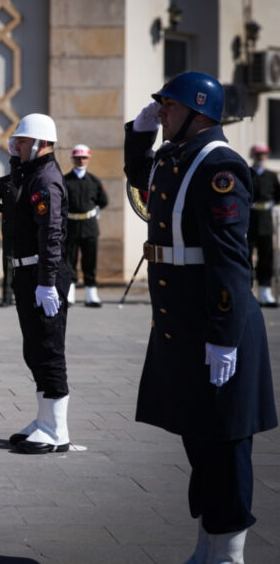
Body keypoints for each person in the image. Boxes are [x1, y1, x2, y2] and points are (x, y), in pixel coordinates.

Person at [125, 71, 277, 563]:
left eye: (166, 105)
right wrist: (140, 130)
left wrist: (224, 336)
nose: (161, 111)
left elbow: (231, 263)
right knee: (199, 439)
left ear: (197, 110)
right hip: (183, 324)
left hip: (217, 325)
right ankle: (208, 544)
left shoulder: (220, 166)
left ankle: (229, 554)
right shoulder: (177, 158)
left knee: (226, 446)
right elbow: (138, 177)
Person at [7, 113, 73, 455]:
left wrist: (47, 283)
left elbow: (51, 234)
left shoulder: (45, 178)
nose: (16, 146)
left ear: (40, 143)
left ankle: (56, 429)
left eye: (22, 141)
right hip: (27, 273)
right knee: (33, 349)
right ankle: (44, 419)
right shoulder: (31, 173)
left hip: (42, 274)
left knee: (48, 349)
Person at [63, 144, 109, 308]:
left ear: (88, 159)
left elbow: (103, 200)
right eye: (77, 158)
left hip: (89, 226)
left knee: (90, 260)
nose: (80, 160)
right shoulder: (65, 180)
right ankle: (69, 293)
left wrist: (95, 210)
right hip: (71, 225)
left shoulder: (94, 181)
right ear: (73, 159)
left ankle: (91, 294)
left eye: (83, 157)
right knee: (69, 260)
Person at [248, 144, 280, 307]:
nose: (261, 157)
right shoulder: (247, 173)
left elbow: (276, 196)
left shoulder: (270, 175)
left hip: (266, 220)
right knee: (247, 256)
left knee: (266, 257)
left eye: (263, 155)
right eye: (258, 155)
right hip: (250, 220)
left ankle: (265, 291)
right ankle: (247, 290)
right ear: (253, 155)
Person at [0, 154, 22, 307]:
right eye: (14, 165)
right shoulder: (4, 182)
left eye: (19, 165)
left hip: (28, 229)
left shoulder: (31, 181)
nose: (16, 168)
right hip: (10, 228)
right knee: (9, 262)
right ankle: (7, 296)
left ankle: (25, 295)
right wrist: (7, 212)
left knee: (29, 262)